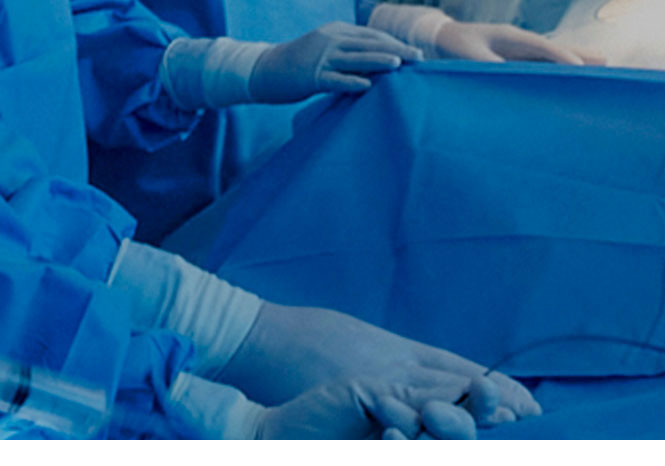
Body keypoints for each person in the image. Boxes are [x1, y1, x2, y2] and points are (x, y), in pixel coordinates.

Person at [1, 0, 541, 439]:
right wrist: (227, 376)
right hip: (149, 230)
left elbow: (52, 22)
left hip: (90, 257)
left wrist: (397, 22)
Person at [87, 0, 602, 243]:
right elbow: (66, 37)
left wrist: (420, 28)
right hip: (169, 205)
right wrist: (236, 68)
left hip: (307, 167)